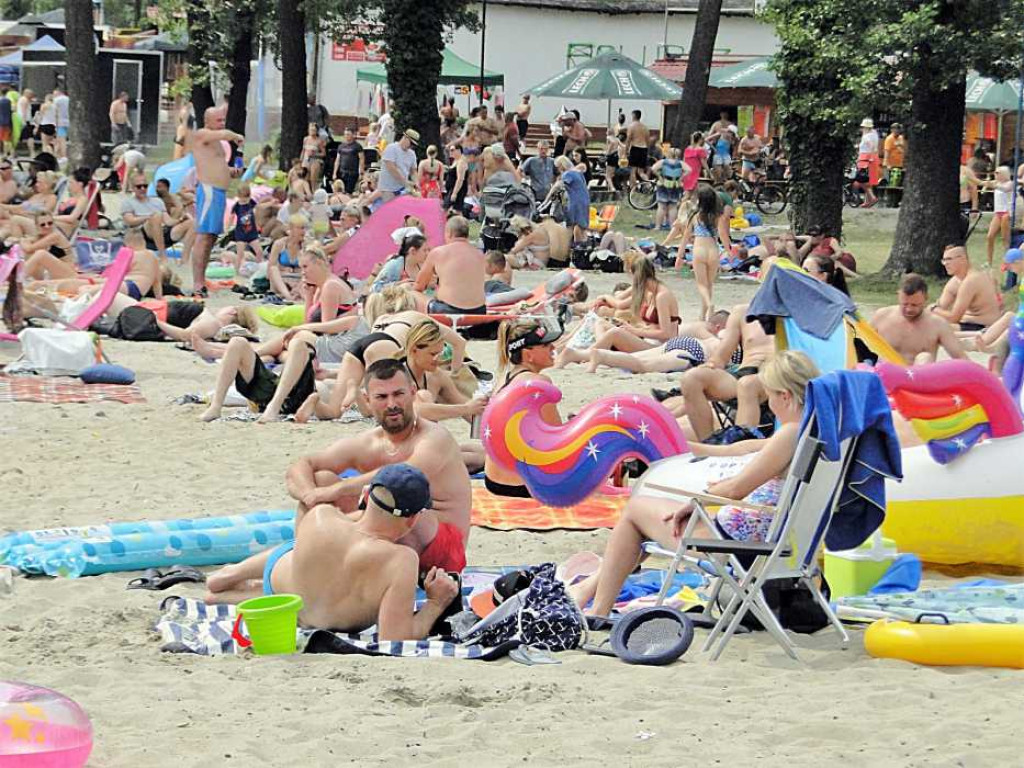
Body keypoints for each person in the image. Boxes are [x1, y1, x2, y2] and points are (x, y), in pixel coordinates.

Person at [569, 351, 821, 617]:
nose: (768, 404)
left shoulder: (790, 434)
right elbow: (743, 450)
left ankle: (597, 609)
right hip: (777, 535)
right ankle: (587, 591)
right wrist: (682, 449)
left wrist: (699, 500)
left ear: (785, 395)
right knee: (654, 516)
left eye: (769, 396)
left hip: (741, 538)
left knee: (635, 511)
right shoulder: (814, 431)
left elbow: (736, 490)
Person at [205, 462, 460, 640]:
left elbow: (355, 531)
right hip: (301, 611)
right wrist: (436, 603)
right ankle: (223, 596)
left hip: (284, 586)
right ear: (413, 520)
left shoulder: (321, 516)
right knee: (321, 579)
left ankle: (231, 574)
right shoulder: (402, 560)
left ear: (366, 494)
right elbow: (395, 637)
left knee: (297, 552)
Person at [280, 359, 472, 572]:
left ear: (413, 392)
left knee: (403, 506)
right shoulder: (368, 443)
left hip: (441, 545)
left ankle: (313, 550)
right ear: (367, 400)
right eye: (381, 397)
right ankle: (306, 564)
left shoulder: (434, 438)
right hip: (383, 529)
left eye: (398, 394)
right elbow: (301, 465)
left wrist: (333, 499)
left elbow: (399, 477)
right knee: (321, 478)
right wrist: (310, 495)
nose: (391, 404)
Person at [665, 302, 774, 442]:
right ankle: (708, 444)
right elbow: (721, 357)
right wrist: (711, 364)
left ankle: (737, 447)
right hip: (744, 373)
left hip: (777, 375)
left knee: (747, 385)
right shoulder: (742, 311)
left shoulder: (797, 314)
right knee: (691, 378)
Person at [482, 319, 563, 497]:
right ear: (528, 355)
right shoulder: (538, 383)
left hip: (494, 481)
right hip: (525, 485)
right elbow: (558, 440)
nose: (553, 349)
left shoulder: (504, 379)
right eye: (546, 345)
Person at [556, 255, 680, 365]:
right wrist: (633, 327)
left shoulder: (661, 296)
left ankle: (581, 355)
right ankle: (595, 354)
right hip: (647, 339)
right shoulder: (649, 292)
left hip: (659, 346)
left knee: (615, 332)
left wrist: (635, 331)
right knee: (600, 323)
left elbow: (666, 333)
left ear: (636, 275)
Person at [191, 106, 244, 297]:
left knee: (212, 236)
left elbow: (216, 164)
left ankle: (202, 277)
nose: (222, 124)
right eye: (219, 120)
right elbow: (223, 134)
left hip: (219, 192)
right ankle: (197, 283)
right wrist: (233, 135)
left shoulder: (219, 144)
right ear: (208, 121)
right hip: (208, 190)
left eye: (223, 120)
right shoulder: (202, 134)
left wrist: (231, 172)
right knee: (204, 236)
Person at [584, 311, 734, 375]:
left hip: (683, 343)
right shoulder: (726, 334)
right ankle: (602, 356)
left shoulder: (718, 332)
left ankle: (580, 355)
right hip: (694, 352)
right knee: (642, 365)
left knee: (637, 358)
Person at [400, 319, 487, 423]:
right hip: (397, 434)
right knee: (424, 395)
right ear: (414, 350)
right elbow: (416, 411)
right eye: (432, 354)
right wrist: (466, 408)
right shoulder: (396, 376)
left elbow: (464, 404)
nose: (438, 359)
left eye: (440, 353)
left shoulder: (437, 376)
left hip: (424, 435)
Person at [870, 273, 966, 365]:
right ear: (898, 296)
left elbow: (961, 359)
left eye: (915, 305)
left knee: (925, 357)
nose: (909, 309)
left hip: (919, 377)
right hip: (886, 375)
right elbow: (860, 347)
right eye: (905, 304)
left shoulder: (938, 325)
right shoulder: (881, 317)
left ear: (926, 298)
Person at [414, 216, 487, 315]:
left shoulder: (438, 252)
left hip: (448, 310)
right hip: (479, 310)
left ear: (449, 233)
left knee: (413, 294)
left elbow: (419, 286)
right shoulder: (480, 255)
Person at [676, 184, 724, 321]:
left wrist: (679, 256)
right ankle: (704, 315)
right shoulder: (716, 217)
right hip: (714, 251)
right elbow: (719, 236)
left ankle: (709, 305)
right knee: (709, 284)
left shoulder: (695, 216)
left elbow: (685, 238)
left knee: (701, 284)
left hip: (699, 251)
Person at [931, 244, 1002, 331]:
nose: (945, 264)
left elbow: (954, 318)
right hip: (967, 323)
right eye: (944, 260)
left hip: (985, 326)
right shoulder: (955, 281)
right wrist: (934, 310)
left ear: (963, 259)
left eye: (949, 259)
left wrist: (933, 309)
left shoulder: (971, 280)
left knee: (937, 329)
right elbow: (941, 306)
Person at [120, 171, 177, 263]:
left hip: (160, 230)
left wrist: (181, 219)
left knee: (190, 223)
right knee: (156, 216)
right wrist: (148, 217)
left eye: (145, 186)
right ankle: (163, 255)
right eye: (139, 186)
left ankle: (186, 259)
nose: (142, 189)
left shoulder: (157, 201)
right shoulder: (128, 202)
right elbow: (130, 221)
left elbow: (168, 221)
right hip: (141, 232)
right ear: (132, 188)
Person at [545, 155, 589, 244]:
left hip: (576, 202)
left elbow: (558, 186)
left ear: (562, 165)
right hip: (585, 200)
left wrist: (546, 200)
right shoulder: (578, 173)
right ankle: (584, 245)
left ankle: (577, 246)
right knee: (583, 226)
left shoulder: (568, 174)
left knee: (576, 225)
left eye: (558, 167)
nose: (558, 169)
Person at [267, 215, 309, 300]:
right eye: (301, 228)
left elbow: (308, 269)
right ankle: (288, 296)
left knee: (308, 272)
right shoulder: (279, 244)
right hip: (281, 281)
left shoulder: (306, 246)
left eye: (304, 228)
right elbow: (270, 270)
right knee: (273, 269)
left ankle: (296, 293)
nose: (304, 231)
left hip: (299, 280)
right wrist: (282, 269)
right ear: (292, 229)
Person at [982, 166, 1013, 268]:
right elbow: (982, 183)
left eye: (997, 173)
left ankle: (1007, 261)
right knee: (990, 236)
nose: (995, 174)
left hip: (1006, 213)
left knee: (1005, 239)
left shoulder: (1010, 183)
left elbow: (1005, 189)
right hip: (997, 213)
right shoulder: (996, 183)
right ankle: (989, 261)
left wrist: (992, 185)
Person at [378, 129, 419, 203]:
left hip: (402, 188)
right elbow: (391, 168)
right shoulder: (391, 148)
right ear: (405, 137)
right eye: (411, 143)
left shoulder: (412, 154)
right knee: (390, 210)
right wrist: (405, 183)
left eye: (414, 145)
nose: (411, 146)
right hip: (388, 188)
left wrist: (416, 182)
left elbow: (413, 171)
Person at [230, 182, 262, 269]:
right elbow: (231, 216)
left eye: (246, 198)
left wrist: (258, 223)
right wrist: (228, 226)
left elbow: (257, 211)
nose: (245, 201)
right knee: (240, 254)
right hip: (240, 233)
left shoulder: (251, 202)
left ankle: (259, 267)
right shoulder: (237, 206)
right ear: (238, 196)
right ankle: (236, 271)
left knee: (259, 251)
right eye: (243, 199)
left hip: (252, 233)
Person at [652, 148, 685, 230]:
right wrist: (681, 178)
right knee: (673, 207)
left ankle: (657, 226)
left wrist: (659, 176)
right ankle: (672, 227)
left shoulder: (663, 162)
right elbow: (689, 169)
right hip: (675, 185)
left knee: (661, 206)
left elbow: (653, 168)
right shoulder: (680, 163)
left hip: (663, 184)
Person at [855, 117, 880, 208]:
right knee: (869, 180)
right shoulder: (875, 134)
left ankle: (872, 197)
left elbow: (871, 145)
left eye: (863, 127)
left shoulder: (866, 136)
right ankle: (868, 200)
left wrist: (871, 150)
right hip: (873, 158)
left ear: (866, 128)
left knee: (861, 179)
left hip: (865, 158)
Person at [707, 111, 736, 184]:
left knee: (727, 173)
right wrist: (713, 148)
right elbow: (707, 138)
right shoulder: (719, 128)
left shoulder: (730, 129)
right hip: (718, 154)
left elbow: (735, 142)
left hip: (726, 154)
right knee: (719, 173)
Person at [333, 127, 364, 194]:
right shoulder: (341, 146)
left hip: (352, 172)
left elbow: (361, 159)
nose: (346, 136)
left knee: (348, 191)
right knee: (340, 191)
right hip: (342, 172)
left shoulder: (357, 146)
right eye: (345, 134)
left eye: (348, 134)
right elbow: (337, 160)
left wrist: (361, 172)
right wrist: (334, 173)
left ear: (353, 135)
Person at [682, 131, 709, 201]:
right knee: (689, 195)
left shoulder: (687, 149)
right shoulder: (700, 150)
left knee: (693, 194)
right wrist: (709, 173)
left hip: (686, 174)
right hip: (694, 174)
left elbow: (684, 161)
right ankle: (678, 207)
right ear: (700, 139)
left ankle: (689, 209)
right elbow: (704, 164)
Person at [625, 110, 649, 186]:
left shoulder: (631, 126)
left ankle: (633, 188)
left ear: (634, 116)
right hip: (644, 149)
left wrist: (626, 151)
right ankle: (648, 184)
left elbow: (628, 139)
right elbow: (647, 140)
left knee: (633, 171)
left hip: (635, 148)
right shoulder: (645, 127)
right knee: (641, 172)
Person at [16, 89, 35, 156]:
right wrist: (23, 121)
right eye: (31, 94)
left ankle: (12, 152)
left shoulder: (22, 99)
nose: (32, 96)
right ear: (27, 94)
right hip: (25, 121)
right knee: (30, 136)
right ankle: (32, 152)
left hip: (21, 120)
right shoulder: (25, 100)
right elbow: (24, 111)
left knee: (18, 137)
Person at [53, 87, 69, 159]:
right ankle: (57, 155)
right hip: (68, 121)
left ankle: (63, 155)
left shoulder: (56, 100)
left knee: (61, 139)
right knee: (60, 139)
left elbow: (54, 111)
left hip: (60, 122)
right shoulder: (68, 99)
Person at [0, 86, 13, 157]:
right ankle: (8, 153)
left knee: (1, 138)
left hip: (1, 122)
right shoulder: (8, 101)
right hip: (8, 121)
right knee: (7, 139)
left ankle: (3, 152)